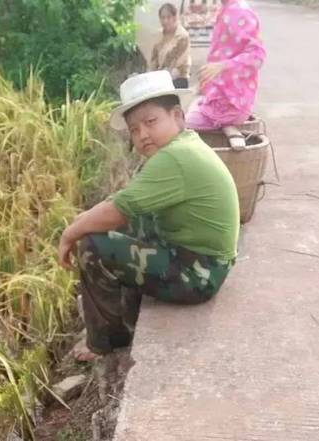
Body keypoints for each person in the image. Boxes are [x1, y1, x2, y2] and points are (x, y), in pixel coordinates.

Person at [58, 71, 239, 357]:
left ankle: (107, 341)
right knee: (129, 218)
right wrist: (81, 220)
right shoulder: (182, 147)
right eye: (134, 129)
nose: (142, 134)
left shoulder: (174, 158)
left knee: (91, 245)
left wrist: (71, 232)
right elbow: (123, 200)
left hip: (199, 274)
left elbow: (118, 210)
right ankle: (123, 310)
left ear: (177, 116)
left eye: (151, 122)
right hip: (203, 259)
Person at [185, 0, 266, 130]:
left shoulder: (240, 12)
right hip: (219, 99)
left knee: (179, 127)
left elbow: (257, 56)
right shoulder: (225, 8)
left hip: (230, 106)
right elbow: (222, 53)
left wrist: (223, 66)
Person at [150, 3, 192, 89]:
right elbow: (154, 60)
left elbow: (176, 65)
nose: (165, 21)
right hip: (161, 78)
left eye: (168, 17)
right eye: (163, 18)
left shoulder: (182, 36)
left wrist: (160, 77)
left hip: (178, 79)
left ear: (175, 17)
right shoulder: (158, 35)